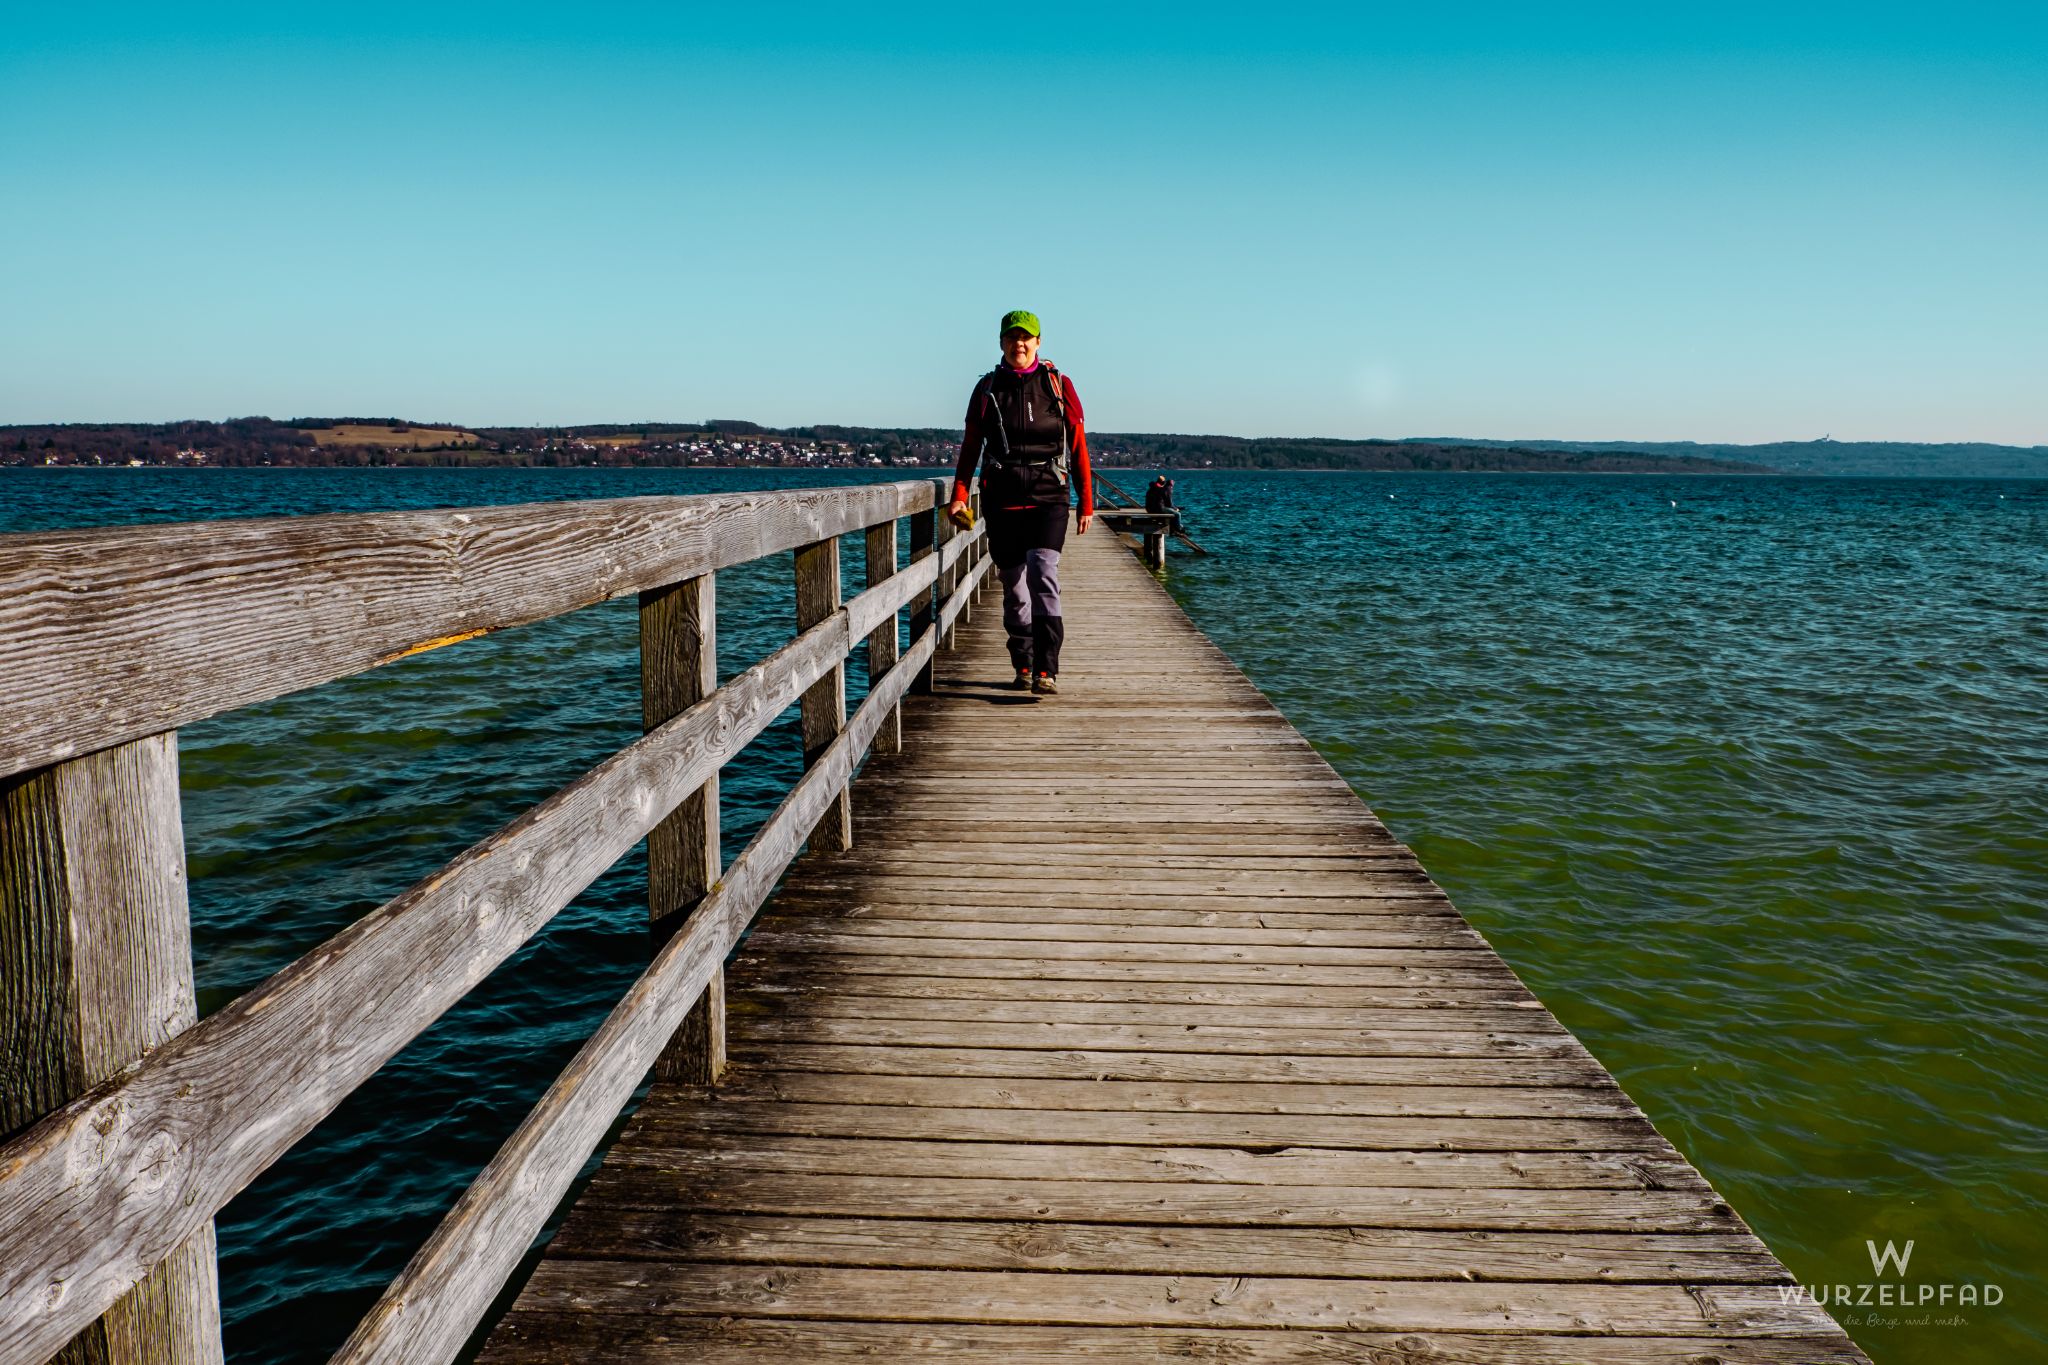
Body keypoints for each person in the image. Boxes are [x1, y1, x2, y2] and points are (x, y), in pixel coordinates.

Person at [949, 310, 1094, 695]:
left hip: (1049, 494)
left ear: (1038, 342)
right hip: (1003, 497)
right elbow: (969, 450)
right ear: (1001, 343)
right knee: (1014, 586)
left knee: (1043, 573)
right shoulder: (987, 389)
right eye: (1012, 338)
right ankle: (1024, 664)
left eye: (1027, 337)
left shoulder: (1058, 385)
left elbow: (1078, 446)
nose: (1020, 344)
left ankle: (1047, 670)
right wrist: (959, 496)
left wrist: (1087, 502)